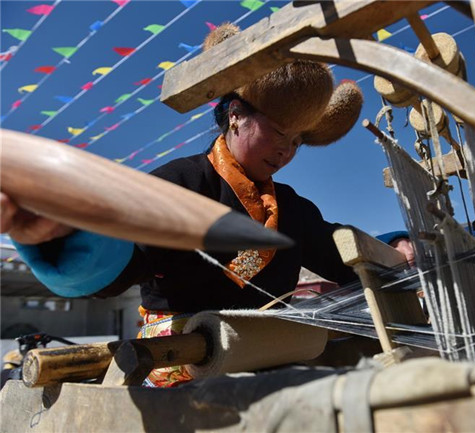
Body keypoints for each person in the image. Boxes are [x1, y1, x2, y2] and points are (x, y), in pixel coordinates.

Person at [0, 23, 414, 387]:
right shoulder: (179, 182)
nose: (286, 150)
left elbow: (334, 248)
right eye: (278, 132)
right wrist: (60, 238)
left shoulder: (291, 207)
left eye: (296, 141)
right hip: (178, 362)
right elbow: (123, 262)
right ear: (236, 115)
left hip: (266, 356)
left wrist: (394, 248)